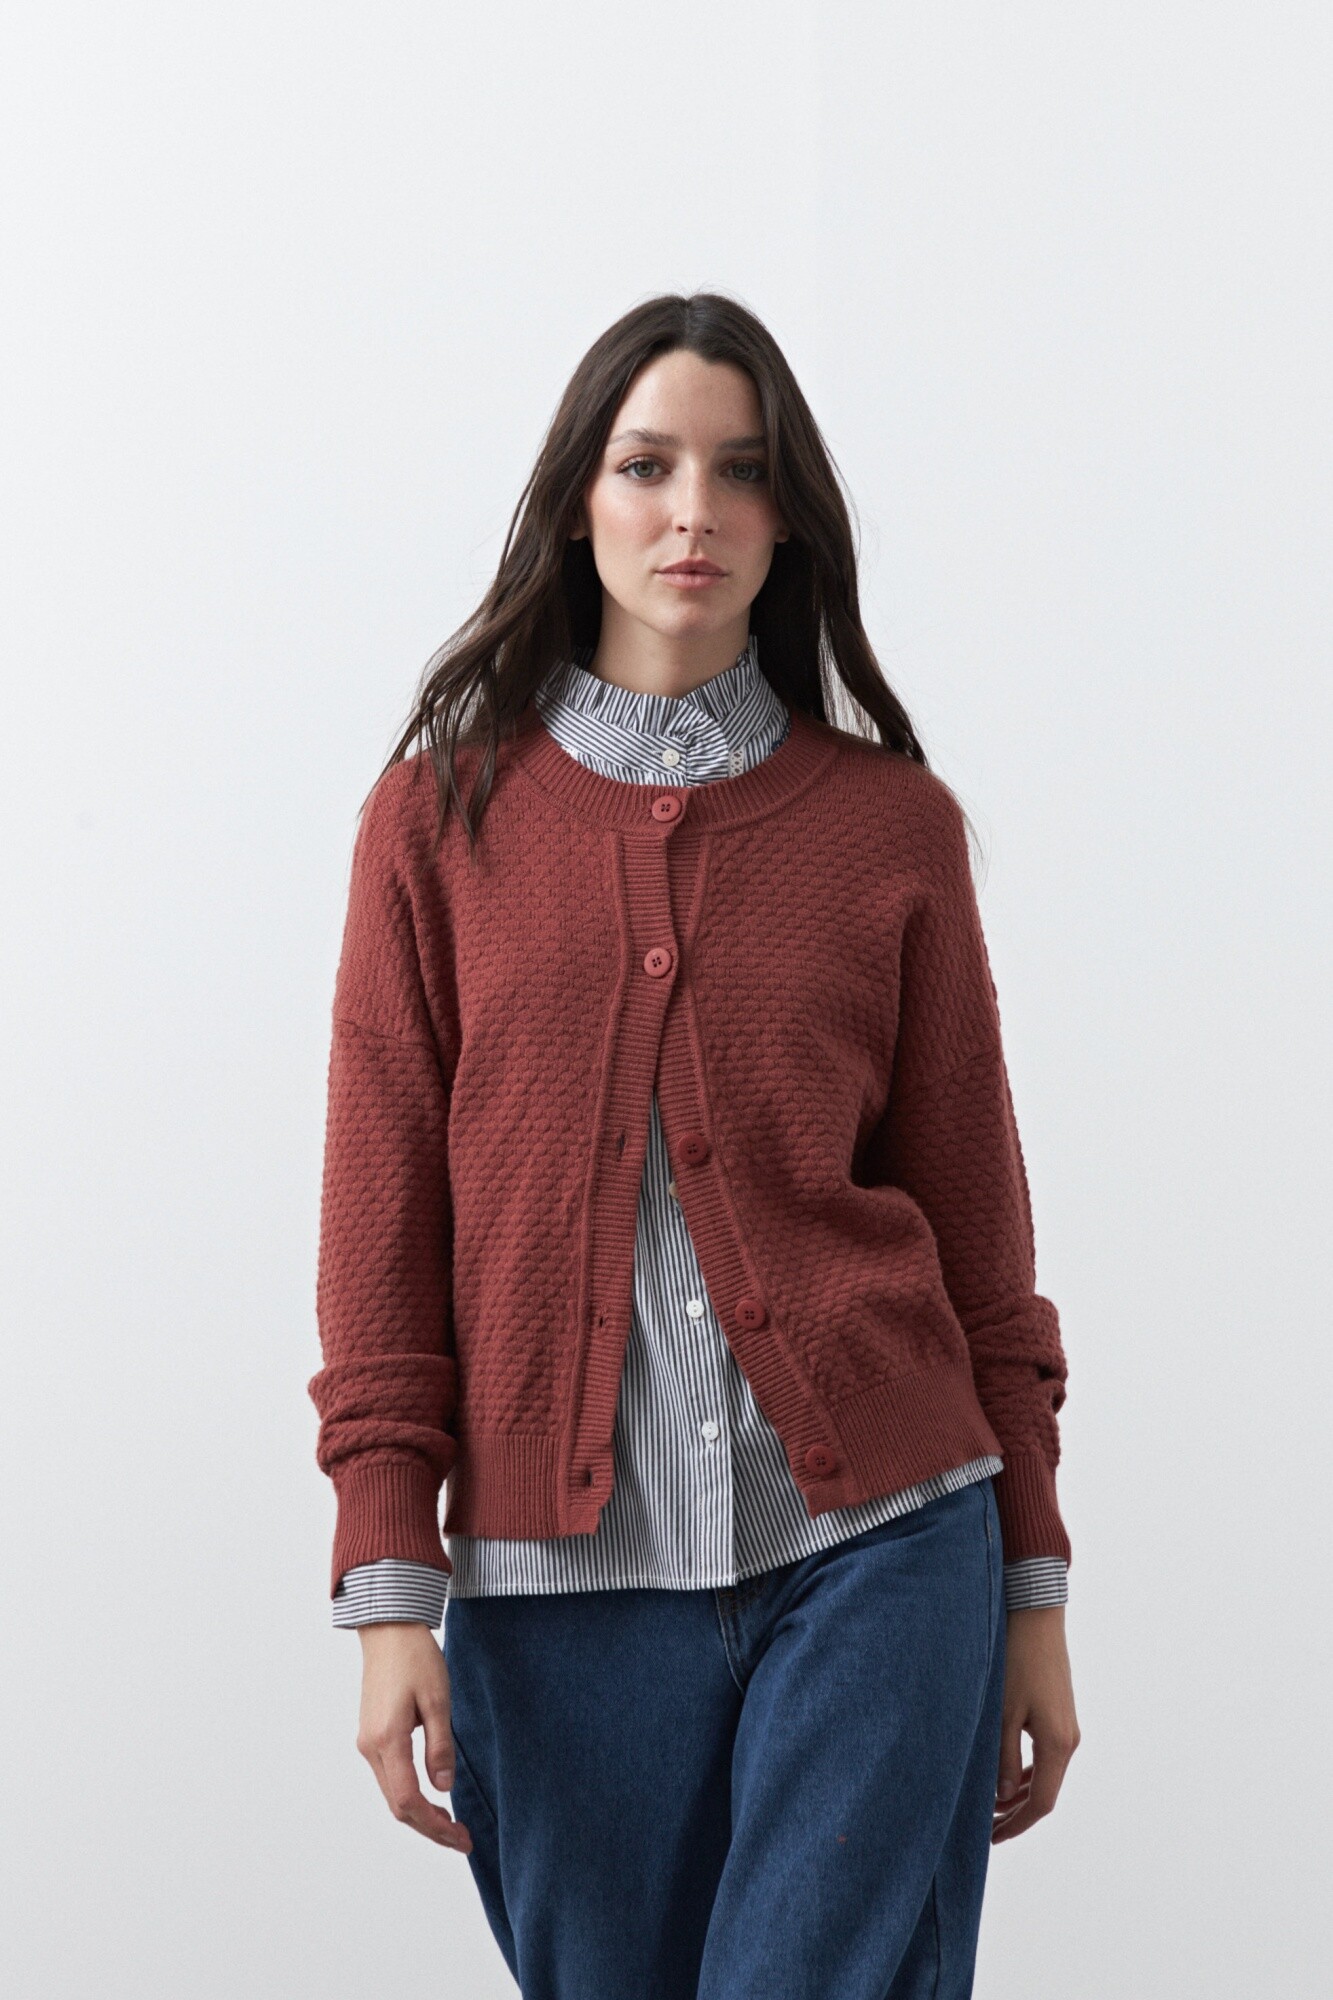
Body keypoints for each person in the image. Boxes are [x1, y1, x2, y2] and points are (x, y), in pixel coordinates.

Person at [308, 290, 1080, 1999]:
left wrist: (1029, 1584)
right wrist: (387, 1586)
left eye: (740, 472)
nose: (692, 513)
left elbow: (977, 1237)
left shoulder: (888, 828)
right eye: (646, 465)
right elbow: (380, 1230)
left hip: (883, 1549)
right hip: (554, 1591)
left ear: (786, 517)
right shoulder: (435, 825)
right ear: (575, 500)